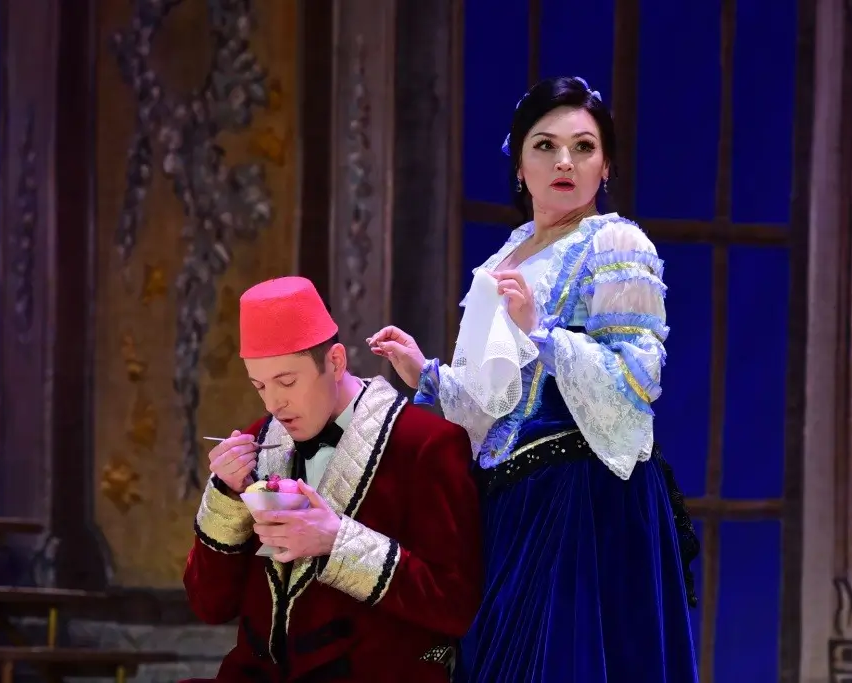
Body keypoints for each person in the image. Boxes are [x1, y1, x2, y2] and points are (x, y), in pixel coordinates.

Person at [368, 76, 700, 683]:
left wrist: (543, 332)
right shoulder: (506, 257)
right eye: (545, 146)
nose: (564, 161)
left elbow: (635, 379)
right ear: (519, 166)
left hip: (583, 497)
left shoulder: (615, 242)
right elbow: (493, 406)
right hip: (506, 501)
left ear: (606, 165)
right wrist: (428, 376)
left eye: (584, 147)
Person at [183, 276, 482, 683]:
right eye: (260, 386)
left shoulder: (426, 444)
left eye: (287, 381)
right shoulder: (256, 444)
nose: (274, 403)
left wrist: (337, 541)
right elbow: (209, 606)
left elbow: (456, 606)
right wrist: (225, 496)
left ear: (336, 362)